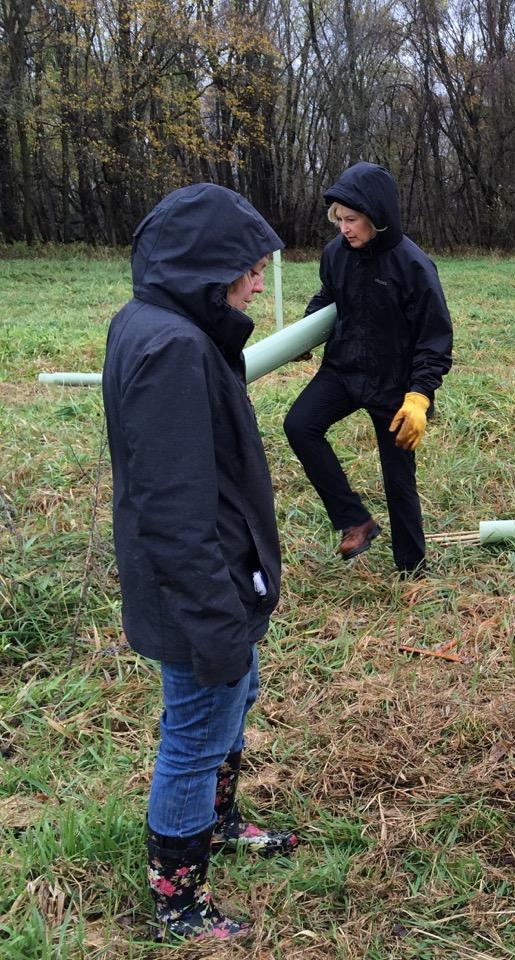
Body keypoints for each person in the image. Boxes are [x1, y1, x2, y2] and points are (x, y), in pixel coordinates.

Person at [102, 184, 299, 942]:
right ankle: (178, 902)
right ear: (208, 267)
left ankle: (218, 826)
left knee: (233, 699)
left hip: (220, 580)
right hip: (197, 593)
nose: (257, 283)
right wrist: (217, 621)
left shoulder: (165, 325)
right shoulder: (172, 349)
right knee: (193, 737)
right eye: (249, 269)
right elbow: (174, 511)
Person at [284, 162, 453, 574]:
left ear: (376, 216)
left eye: (352, 219)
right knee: (299, 426)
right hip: (343, 369)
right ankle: (354, 520)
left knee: (398, 478)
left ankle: (411, 567)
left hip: (394, 385)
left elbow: (435, 337)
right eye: (339, 219)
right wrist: (305, 335)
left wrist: (419, 395)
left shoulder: (413, 266)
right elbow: (328, 296)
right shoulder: (335, 254)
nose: (344, 228)